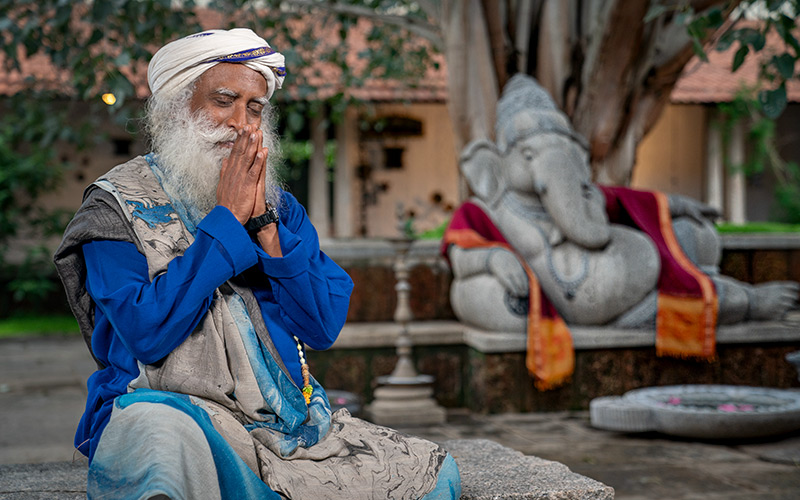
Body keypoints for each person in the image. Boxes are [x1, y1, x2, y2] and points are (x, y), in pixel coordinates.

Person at [55, 28, 460, 500]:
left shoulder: (278, 207)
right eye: (224, 101)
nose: (242, 124)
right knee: (157, 440)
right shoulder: (115, 208)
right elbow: (146, 333)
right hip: (172, 412)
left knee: (431, 473)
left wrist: (264, 224)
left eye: (254, 108)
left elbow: (322, 325)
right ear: (174, 109)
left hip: (284, 425)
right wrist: (226, 222)